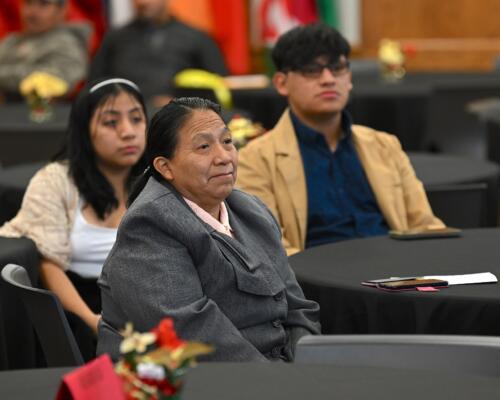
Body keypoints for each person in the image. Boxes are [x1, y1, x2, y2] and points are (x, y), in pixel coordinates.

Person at [97, 97, 320, 361]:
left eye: (227, 142)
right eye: (204, 147)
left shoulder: (251, 210)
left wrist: (306, 362)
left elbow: (297, 306)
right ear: (165, 167)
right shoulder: (149, 224)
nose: (224, 157)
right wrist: (278, 382)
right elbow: (190, 333)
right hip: (193, 380)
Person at [236, 23, 444, 256]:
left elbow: (425, 226)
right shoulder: (254, 160)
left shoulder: (384, 145)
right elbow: (270, 249)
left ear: (349, 78)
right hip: (316, 283)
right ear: (282, 83)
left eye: (337, 68)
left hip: (397, 277)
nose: (328, 79)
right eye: (312, 70)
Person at [0, 78, 148, 360]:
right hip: (81, 310)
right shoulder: (56, 181)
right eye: (111, 122)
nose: (128, 132)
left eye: (137, 119)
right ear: (84, 130)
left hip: (147, 301)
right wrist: (94, 322)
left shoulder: (156, 180)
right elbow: (48, 264)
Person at [89, 0, 228, 104]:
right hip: (125, 117)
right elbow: (95, 85)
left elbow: (220, 87)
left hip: (179, 120)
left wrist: (179, 104)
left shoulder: (197, 38)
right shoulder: (114, 39)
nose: (142, 2)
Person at [0, 0, 90, 98]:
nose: (32, 12)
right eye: (28, 3)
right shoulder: (10, 41)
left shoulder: (67, 43)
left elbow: (52, 80)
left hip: (46, 110)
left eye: (44, 4)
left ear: (61, 10)